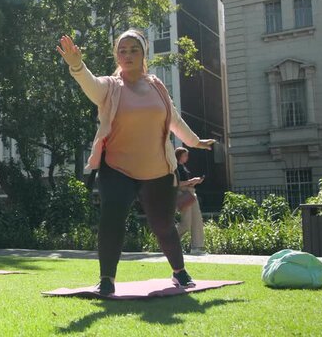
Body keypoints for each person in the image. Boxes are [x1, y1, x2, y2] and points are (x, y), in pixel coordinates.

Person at [56, 29, 216, 295]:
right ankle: (107, 279)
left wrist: (194, 141)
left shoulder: (156, 86)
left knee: (163, 224)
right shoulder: (110, 86)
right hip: (116, 168)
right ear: (116, 55)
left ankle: (179, 270)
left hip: (157, 170)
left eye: (134, 50)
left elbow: (173, 119)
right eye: (122, 50)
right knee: (111, 218)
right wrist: (77, 65)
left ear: (144, 54)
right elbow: (91, 86)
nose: (127, 55)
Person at [175, 147, 206, 255]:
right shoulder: (175, 168)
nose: (187, 157)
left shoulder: (183, 167)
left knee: (197, 220)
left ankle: (197, 247)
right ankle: (170, 240)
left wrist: (194, 182)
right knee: (186, 223)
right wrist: (191, 181)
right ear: (179, 156)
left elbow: (186, 182)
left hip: (191, 192)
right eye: (185, 155)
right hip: (184, 194)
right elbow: (176, 184)